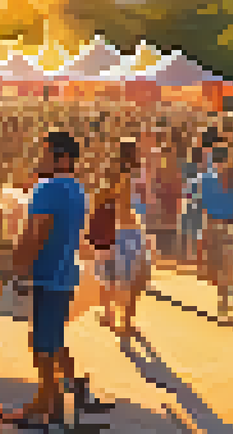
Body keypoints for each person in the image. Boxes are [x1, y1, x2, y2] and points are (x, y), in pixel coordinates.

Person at [5, 131, 108, 428]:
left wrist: (16, 268)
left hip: (47, 276)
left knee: (42, 348)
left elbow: (36, 233)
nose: (41, 157)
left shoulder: (47, 188)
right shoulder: (78, 190)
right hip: (64, 275)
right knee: (51, 342)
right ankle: (57, 399)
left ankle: (47, 411)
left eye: (47, 152)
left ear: (62, 157)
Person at [90, 137, 151, 338]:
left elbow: (103, 197)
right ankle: (124, 321)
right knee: (130, 279)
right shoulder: (132, 176)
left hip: (125, 230)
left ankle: (121, 319)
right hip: (130, 230)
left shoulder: (122, 176)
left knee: (124, 279)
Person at [201, 145, 233, 321]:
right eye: (219, 160)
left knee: (232, 265)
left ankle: (232, 301)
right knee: (223, 267)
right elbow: (206, 207)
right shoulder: (208, 180)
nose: (222, 164)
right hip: (217, 226)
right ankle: (228, 301)